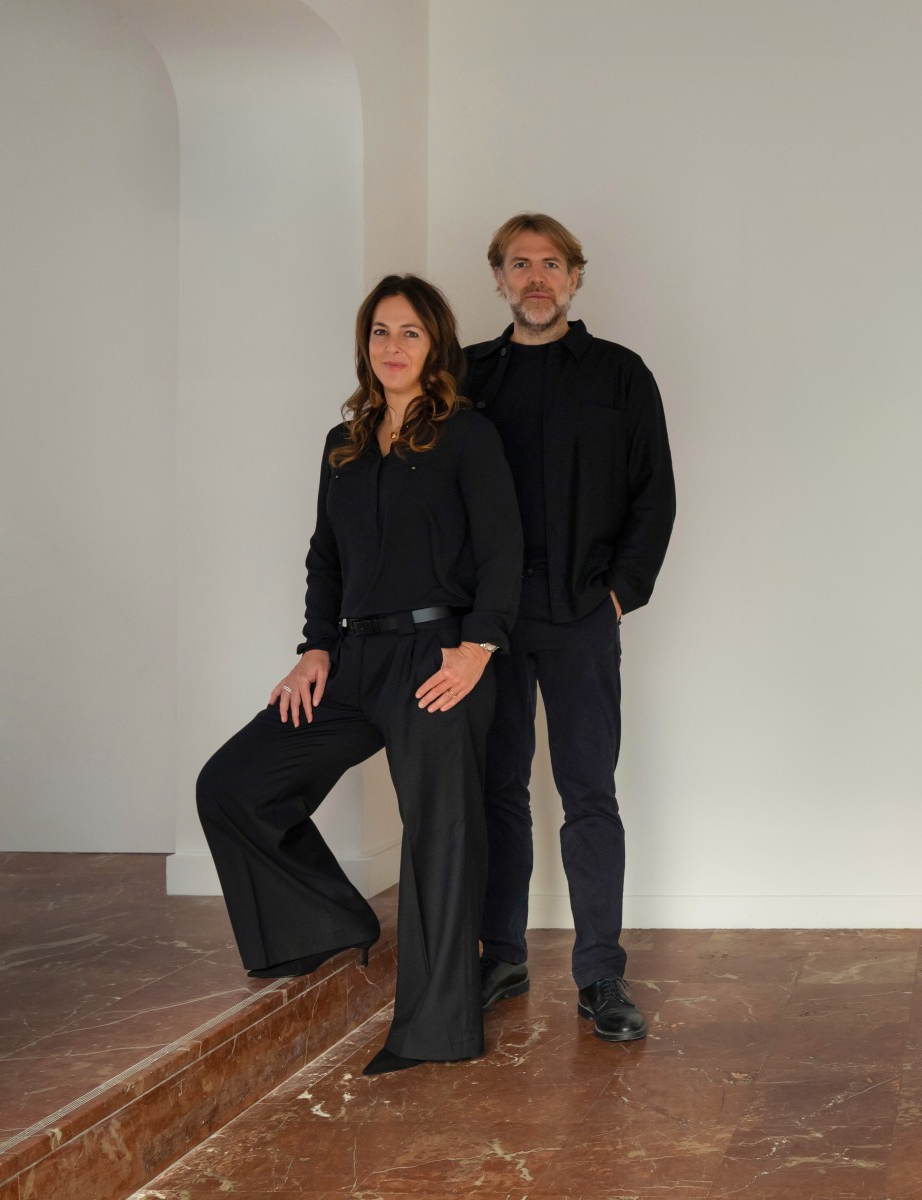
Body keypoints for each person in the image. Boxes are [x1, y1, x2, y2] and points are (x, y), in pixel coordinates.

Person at [197, 274, 523, 1076]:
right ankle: (325, 924)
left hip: (438, 654)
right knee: (233, 784)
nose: (393, 346)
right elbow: (326, 557)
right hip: (354, 657)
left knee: (438, 832)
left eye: (410, 332)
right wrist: (315, 648)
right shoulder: (342, 444)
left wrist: (476, 649)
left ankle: (435, 1034)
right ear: (364, 344)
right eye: (380, 331)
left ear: (435, 345)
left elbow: (502, 549)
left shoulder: (467, 435)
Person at [462, 214, 675, 1042]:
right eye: (520, 264)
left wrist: (617, 597)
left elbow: (654, 497)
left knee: (589, 793)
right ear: (499, 278)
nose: (536, 279)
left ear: (575, 278)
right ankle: (502, 956)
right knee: (498, 790)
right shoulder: (466, 376)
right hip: (489, 622)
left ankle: (600, 976)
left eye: (552, 263)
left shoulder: (621, 374)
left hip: (582, 615)